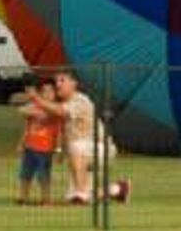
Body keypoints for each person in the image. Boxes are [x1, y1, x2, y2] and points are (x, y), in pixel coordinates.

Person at [30, 69, 130, 206]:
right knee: (73, 199)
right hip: (83, 154)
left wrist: (37, 100)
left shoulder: (81, 100)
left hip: (100, 149)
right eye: (56, 81)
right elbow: (44, 115)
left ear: (74, 83)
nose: (57, 84)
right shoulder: (62, 103)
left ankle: (81, 192)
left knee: (76, 146)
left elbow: (61, 112)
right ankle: (118, 189)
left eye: (62, 80)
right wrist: (60, 151)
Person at [12, 78, 59, 205]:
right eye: (44, 91)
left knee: (43, 175)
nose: (48, 94)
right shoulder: (36, 106)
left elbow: (46, 115)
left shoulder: (56, 108)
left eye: (51, 91)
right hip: (30, 146)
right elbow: (22, 111)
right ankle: (23, 197)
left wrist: (37, 108)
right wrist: (22, 143)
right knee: (25, 174)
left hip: (45, 148)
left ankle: (46, 199)